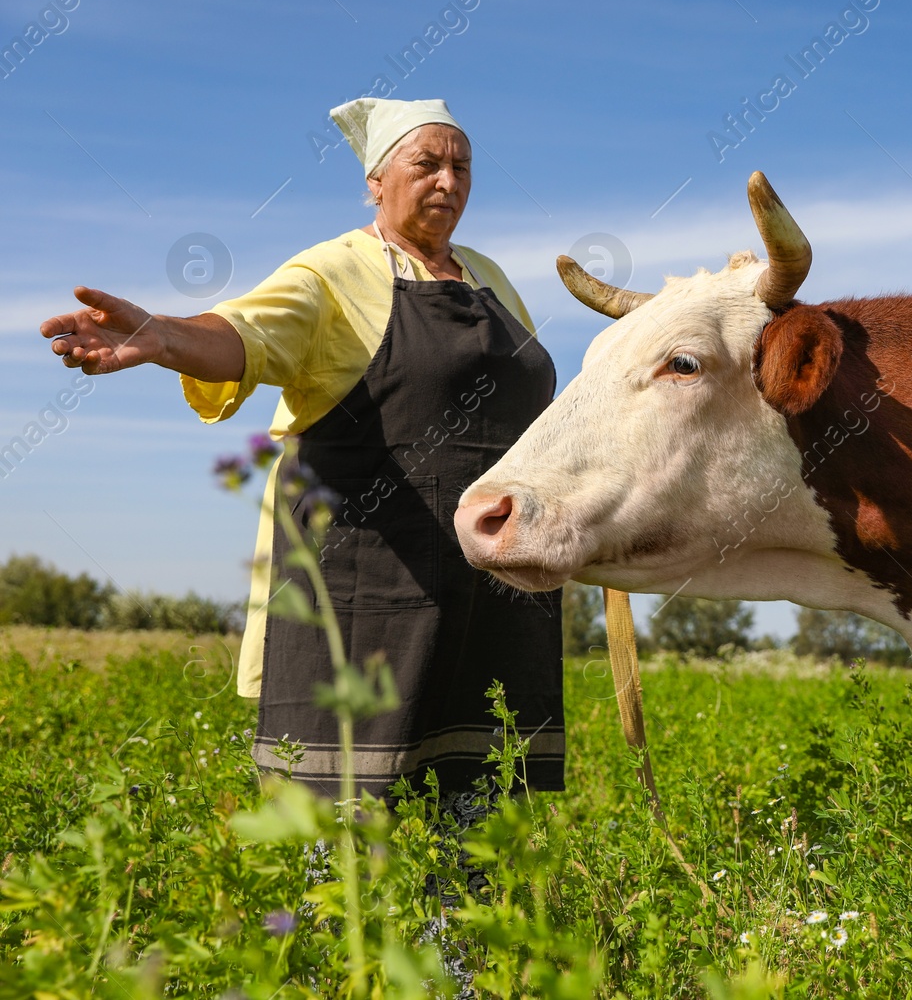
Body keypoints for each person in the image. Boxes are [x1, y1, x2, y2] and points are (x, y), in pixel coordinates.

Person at [38, 97, 565, 807]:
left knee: (482, 811)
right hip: (369, 584)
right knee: (354, 817)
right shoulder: (333, 272)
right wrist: (164, 336)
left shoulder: (490, 277)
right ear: (376, 181)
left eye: (461, 167)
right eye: (427, 164)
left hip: (491, 585)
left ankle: (462, 924)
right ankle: (337, 918)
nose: (448, 181)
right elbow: (244, 333)